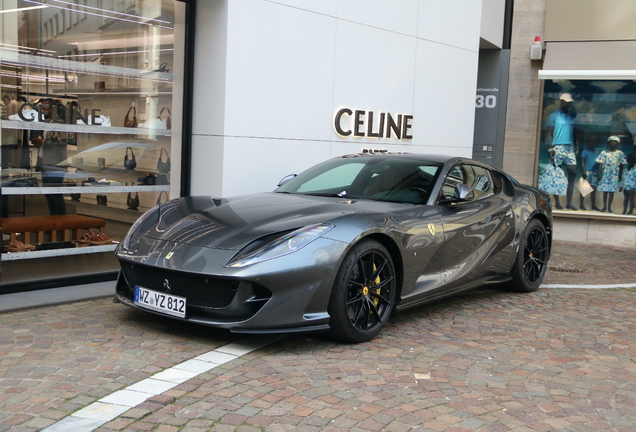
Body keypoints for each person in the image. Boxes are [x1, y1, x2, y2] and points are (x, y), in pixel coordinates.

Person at [30, 98, 68, 215]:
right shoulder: (46, 123)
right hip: (44, 163)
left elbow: (62, 143)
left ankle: (61, 223)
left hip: (55, 164)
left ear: (52, 109)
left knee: (55, 194)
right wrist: (38, 142)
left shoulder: (59, 123)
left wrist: (43, 142)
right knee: (48, 194)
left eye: (45, 107)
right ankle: (53, 220)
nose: (42, 110)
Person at [546, 93, 578, 210]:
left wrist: (577, 145)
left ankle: (569, 202)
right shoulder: (553, 116)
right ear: (561, 101)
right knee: (556, 174)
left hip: (570, 147)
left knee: (573, 172)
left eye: (569, 102)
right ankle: (557, 202)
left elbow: (575, 132)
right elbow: (548, 132)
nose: (568, 104)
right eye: (566, 102)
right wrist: (550, 148)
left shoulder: (573, 116)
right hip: (557, 146)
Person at [596, 136, 627, 213]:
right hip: (605, 174)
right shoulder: (604, 153)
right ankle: (604, 207)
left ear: (617, 143)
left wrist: (620, 174)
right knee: (605, 191)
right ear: (609, 143)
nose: (613, 143)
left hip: (614, 175)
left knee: (611, 191)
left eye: (615, 141)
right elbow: (600, 163)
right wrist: (599, 174)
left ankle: (609, 207)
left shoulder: (620, 153)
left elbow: (622, 165)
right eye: (611, 141)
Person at [579, 135, 600, 211]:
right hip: (587, 171)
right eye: (590, 141)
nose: (592, 143)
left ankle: (593, 205)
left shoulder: (597, 152)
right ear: (587, 142)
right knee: (584, 189)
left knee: (594, 189)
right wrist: (584, 171)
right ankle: (581, 204)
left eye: (593, 141)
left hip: (595, 172)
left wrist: (599, 173)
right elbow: (582, 162)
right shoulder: (584, 151)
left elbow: (599, 163)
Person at [622, 144, 636, 215]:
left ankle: (630, 210)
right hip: (625, 186)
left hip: (632, 187)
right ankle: (624, 210)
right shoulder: (625, 170)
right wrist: (621, 186)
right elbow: (623, 178)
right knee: (626, 199)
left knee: (631, 199)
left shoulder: (635, 170)